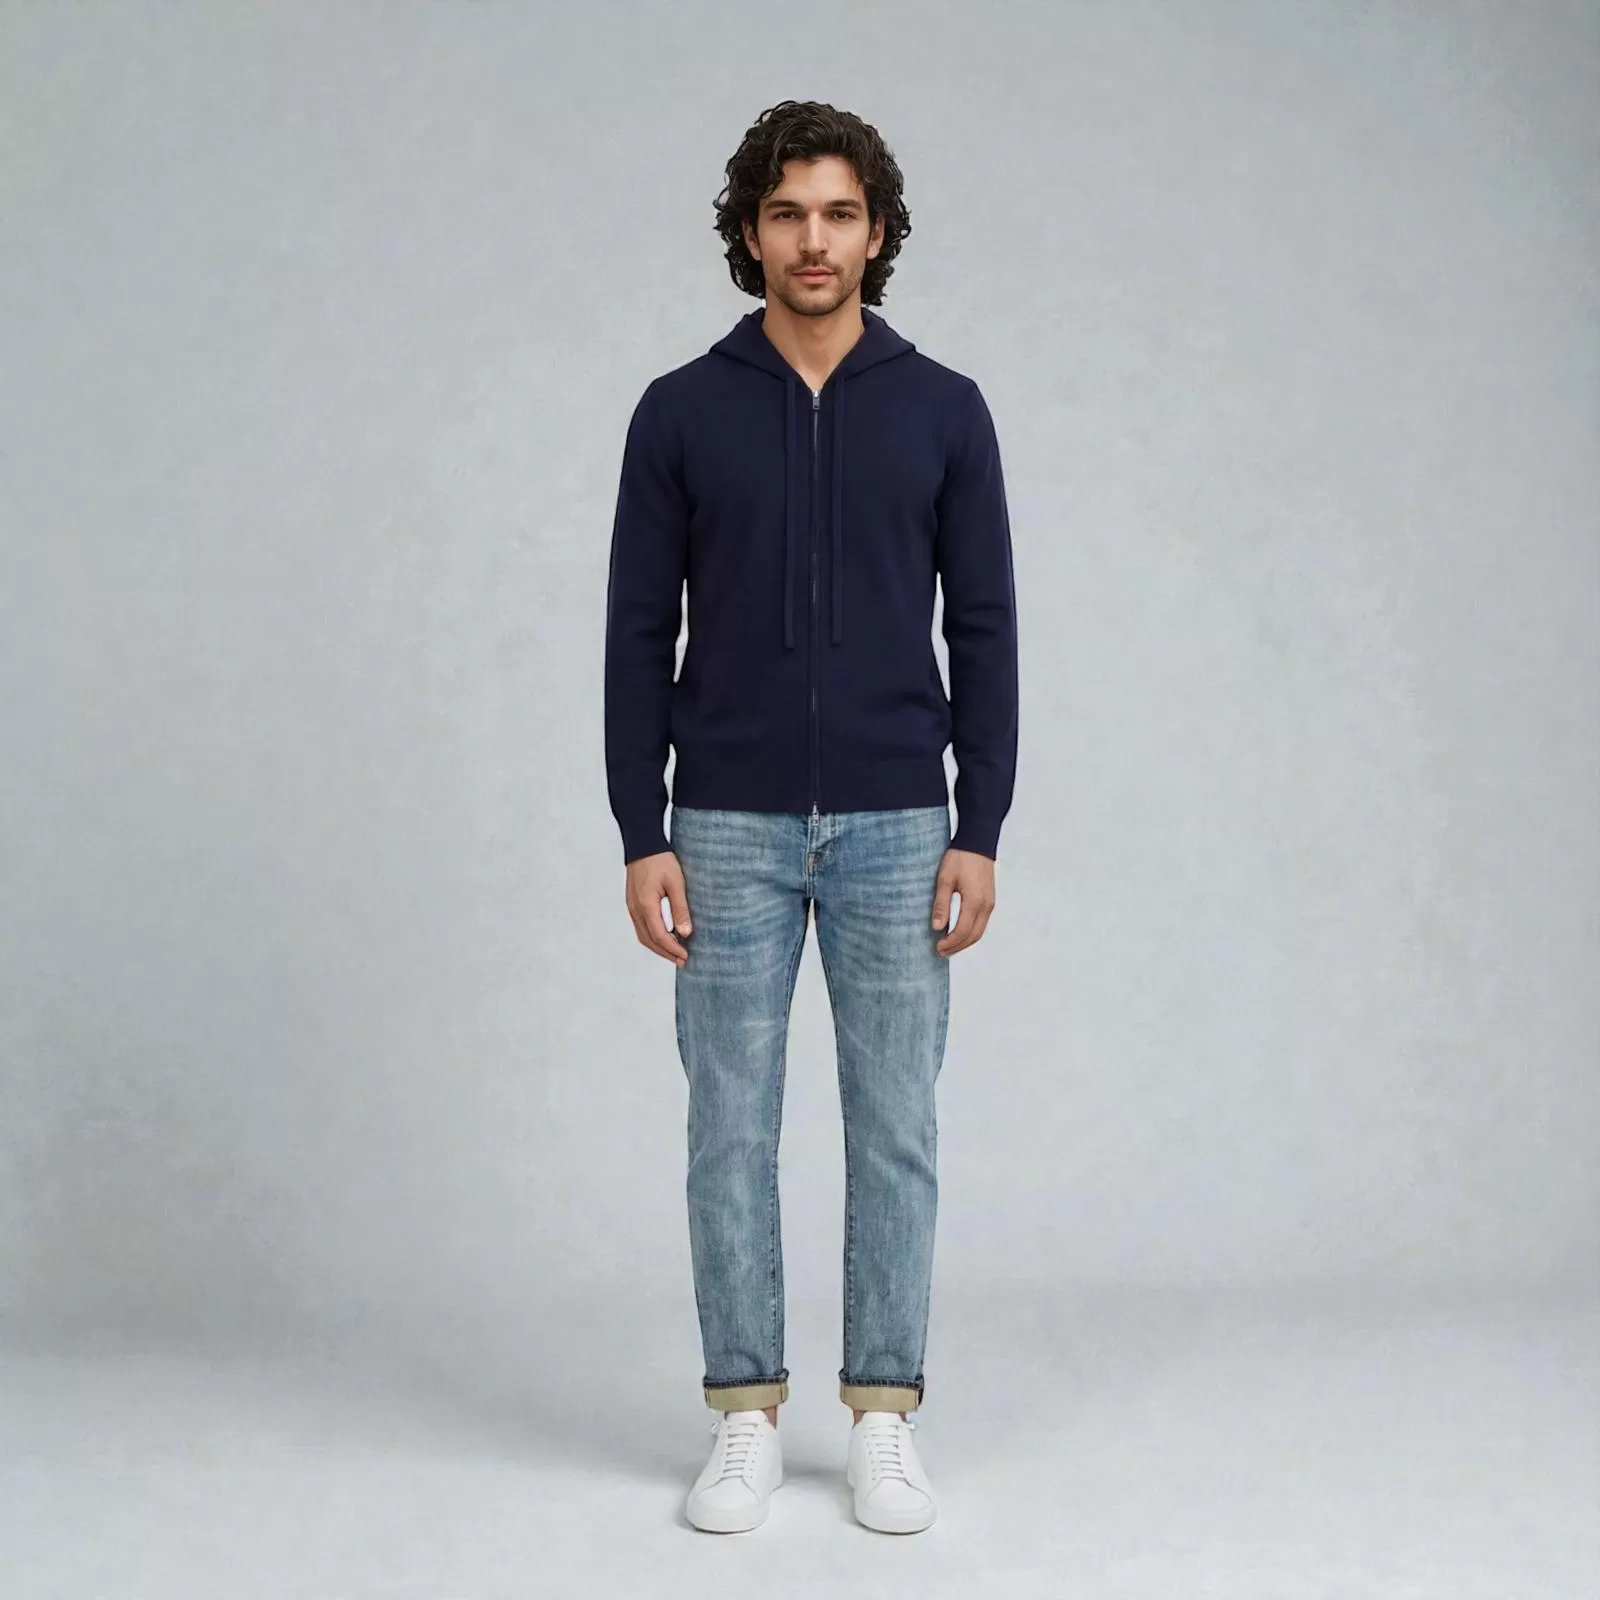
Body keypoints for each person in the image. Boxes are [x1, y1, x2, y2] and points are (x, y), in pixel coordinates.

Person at [603, 99, 1019, 1535]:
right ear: (750, 233)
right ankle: (744, 1416)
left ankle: (884, 1416)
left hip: (903, 820)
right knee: (729, 1127)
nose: (814, 239)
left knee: (895, 1124)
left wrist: (981, 826)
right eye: (786, 213)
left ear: (877, 232)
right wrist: (640, 829)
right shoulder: (681, 410)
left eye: (839, 213)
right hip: (723, 821)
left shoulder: (944, 408)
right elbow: (636, 631)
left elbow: (986, 626)